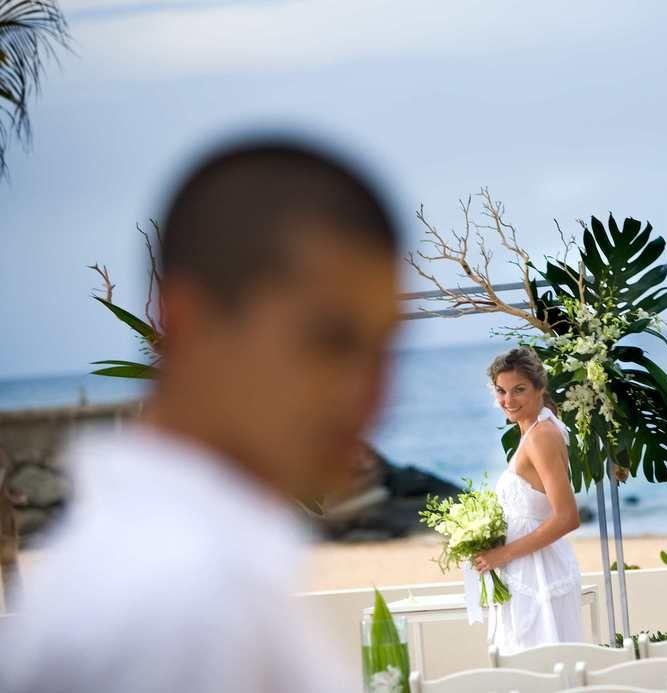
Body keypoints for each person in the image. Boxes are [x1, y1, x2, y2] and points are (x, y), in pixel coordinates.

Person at [0, 139, 401, 692]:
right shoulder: (181, 599)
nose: (374, 393)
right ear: (189, 323)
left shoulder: (171, 569)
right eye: (330, 341)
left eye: (384, 348)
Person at [473, 346, 583, 653]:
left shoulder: (541, 436)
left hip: (538, 575)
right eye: (501, 391)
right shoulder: (534, 431)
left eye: (518, 390)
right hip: (527, 571)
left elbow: (567, 517)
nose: (508, 401)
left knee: (543, 670)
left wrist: (502, 555)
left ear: (539, 388)